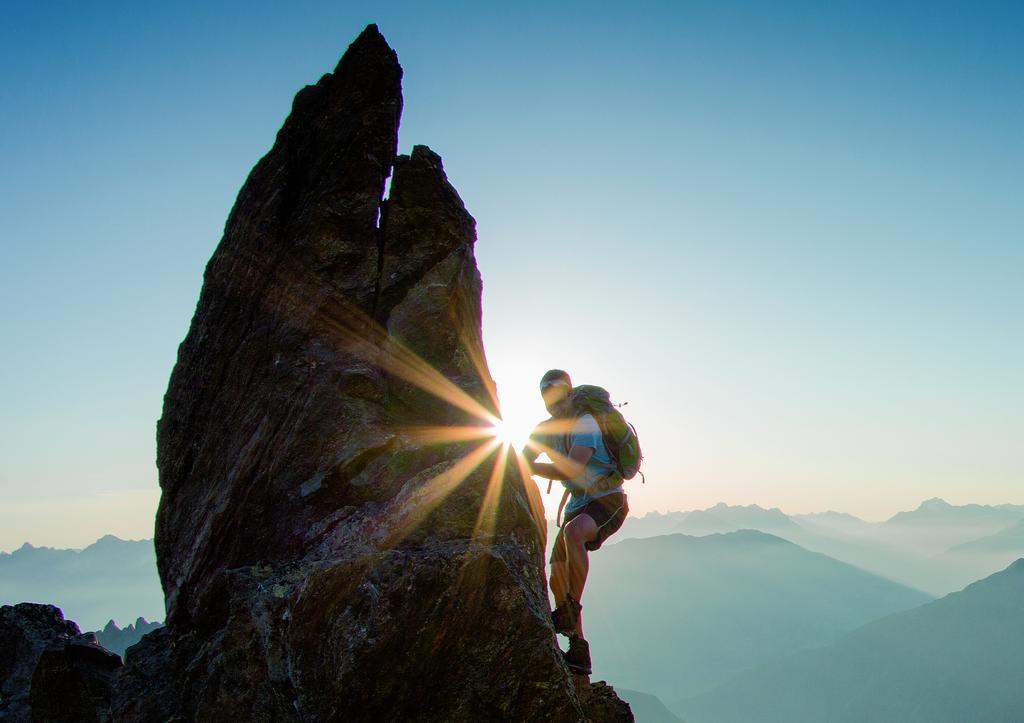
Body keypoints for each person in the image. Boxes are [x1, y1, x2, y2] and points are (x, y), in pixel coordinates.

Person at [523, 369, 629, 675]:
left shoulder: (585, 424)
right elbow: (523, 457)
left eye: (558, 397)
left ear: (570, 394)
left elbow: (571, 471)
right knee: (557, 572)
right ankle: (579, 650)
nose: (553, 404)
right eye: (547, 399)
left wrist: (532, 467)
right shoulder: (544, 429)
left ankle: (571, 608)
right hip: (578, 503)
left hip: (608, 500)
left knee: (574, 534)